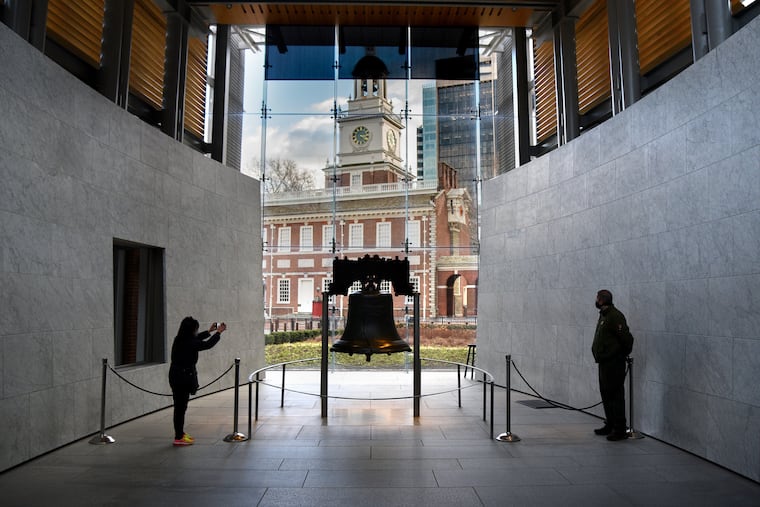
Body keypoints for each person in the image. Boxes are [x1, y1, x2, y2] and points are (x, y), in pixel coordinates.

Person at [168, 317, 226, 446]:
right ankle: (178, 437)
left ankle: (180, 433)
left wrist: (209, 331)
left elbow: (195, 339)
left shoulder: (180, 339)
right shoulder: (189, 342)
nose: (196, 331)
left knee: (180, 407)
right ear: (191, 330)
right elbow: (207, 345)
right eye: (196, 329)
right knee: (180, 408)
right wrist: (218, 332)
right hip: (182, 378)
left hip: (176, 376)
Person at [591, 290, 633, 442]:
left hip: (614, 363)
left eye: (597, 298)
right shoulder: (604, 315)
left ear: (601, 300)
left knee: (615, 395)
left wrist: (619, 355)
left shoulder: (615, 316)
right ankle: (610, 424)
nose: (595, 300)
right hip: (604, 362)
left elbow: (627, 339)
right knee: (606, 394)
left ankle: (620, 429)